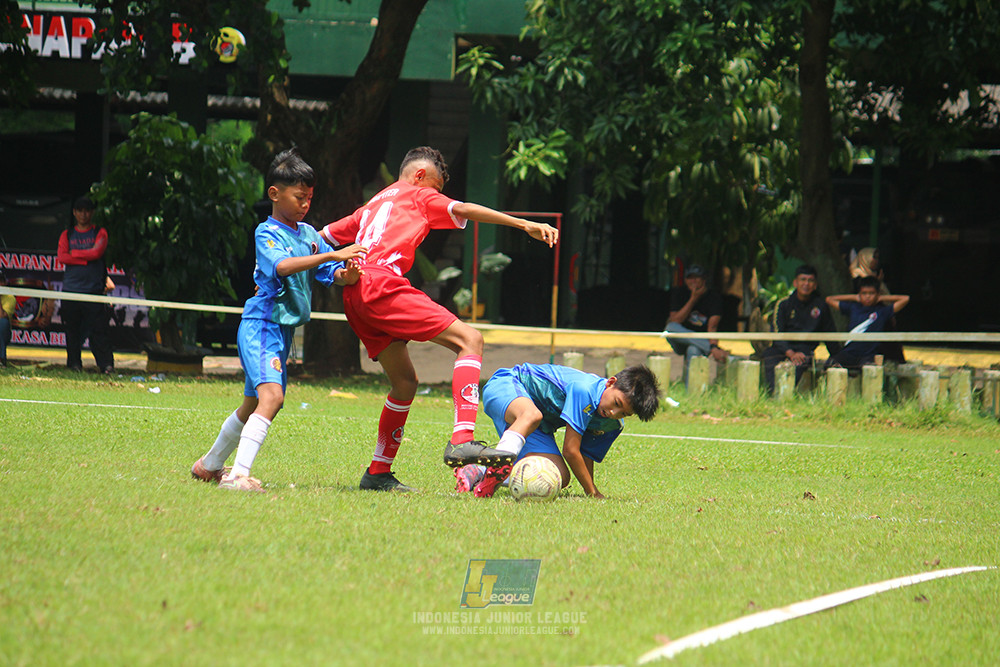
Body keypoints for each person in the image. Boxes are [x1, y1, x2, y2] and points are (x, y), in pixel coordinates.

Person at [319, 146, 559, 492]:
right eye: (435, 187)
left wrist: (332, 273)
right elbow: (464, 209)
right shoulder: (418, 194)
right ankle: (462, 439)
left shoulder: (371, 205)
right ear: (419, 176)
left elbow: (318, 239)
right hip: (383, 284)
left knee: (404, 384)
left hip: (356, 296)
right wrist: (523, 224)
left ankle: (377, 473)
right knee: (470, 339)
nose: (437, 197)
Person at [190, 148, 367, 492]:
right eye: (300, 196)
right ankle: (238, 476)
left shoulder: (309, 235)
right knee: (272, 398)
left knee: (253, 403)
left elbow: (330, 273)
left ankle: (208, 466)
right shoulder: (266, 232)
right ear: (274, 193)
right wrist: (333, 252)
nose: (305, 204)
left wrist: (347, 273)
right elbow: (282, 267)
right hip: (262, 325)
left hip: (281, 330)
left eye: (310, 198)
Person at [453, 364, 661, 499]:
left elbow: (583, 454)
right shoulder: (585, 390)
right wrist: (593, 493)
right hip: (507, 385)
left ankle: (477, 470)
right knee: (531, 415)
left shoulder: (611, 424)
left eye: (623, 412)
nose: (613, 412)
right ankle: (496, 471)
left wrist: (590, 489)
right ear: (611, 383)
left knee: (559, 476)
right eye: (616, 402)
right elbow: (570, 450)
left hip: (538, 426)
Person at [57, 196, 115, 373]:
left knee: (98, 330)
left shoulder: (100, 232)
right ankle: (74, 365)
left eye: (87, 211)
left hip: (93, 291)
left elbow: (97, 253)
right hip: (71, 291)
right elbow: (62, 257)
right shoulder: (67, 234)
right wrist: (84, 258)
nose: (83, 214)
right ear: (74, 213)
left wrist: (75, 255)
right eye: (80, 211)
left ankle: (106, 366)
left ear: (92, 213)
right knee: (72, 331)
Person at [760, 265, 838, 392]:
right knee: (770, 356)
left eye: (810, 280)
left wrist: (837, 357)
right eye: (803, 280)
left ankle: (785, 395)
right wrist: (790, 353)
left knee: (800, 361)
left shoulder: (821, 306)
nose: (806, 284)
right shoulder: (783, 304)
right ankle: (772, 396)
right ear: (795, 282)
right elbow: (776, 333)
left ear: (815, 285)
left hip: (804, 350)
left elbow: (830, 333)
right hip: (782, 348)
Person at [824, 277, 909, 370]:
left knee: (870, 370)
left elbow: (905, 299)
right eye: (864, 293)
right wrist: (855, 297)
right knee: (830, 364)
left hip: (868, 356)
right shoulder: (853, 308)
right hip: (849, 353)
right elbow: (829, 299)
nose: (868, 296)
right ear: (859, 294)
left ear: (877, 294)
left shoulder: (882, 311)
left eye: (871, 293)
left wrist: (882, 298)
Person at [664, 264, 728, 386]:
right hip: (681, 339)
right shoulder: (680, 293)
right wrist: (693, 299)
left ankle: (691, 391)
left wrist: (713, 342)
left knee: (693, 350)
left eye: (697, 278)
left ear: (704, 280)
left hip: (700, 342)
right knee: (670, 328)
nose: (693, 281)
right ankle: (711, 349)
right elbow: (675, 320)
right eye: (690, 278)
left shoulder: (713, 297)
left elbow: (712, 327)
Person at [0, 270, 14, 367]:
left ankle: (1, 359)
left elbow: (1, 316)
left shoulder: (10, 298)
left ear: (4, 283)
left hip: (3, 333)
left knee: (2, 322)